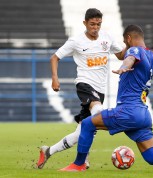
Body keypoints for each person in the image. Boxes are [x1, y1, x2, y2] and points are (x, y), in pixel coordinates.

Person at [59, 25, 153, 173]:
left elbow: (131, 57)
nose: (125, 47)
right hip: (143, 115)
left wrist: (124, 66)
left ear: (129, 38)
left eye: (125, 43)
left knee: (87, 124)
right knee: (151, 156)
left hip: (128, 111)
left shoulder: (134, 49)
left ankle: (78, 165)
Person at [36, 8, 128, 169]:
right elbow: (54, 57)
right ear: (85, 23)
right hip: (84, 84)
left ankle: (48, 151)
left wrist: (130, 44)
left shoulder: (107, 38)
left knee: (82, 132)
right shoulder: (76, 41)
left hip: (100, 90)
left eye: (98, 24)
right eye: (92, 24)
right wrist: (55, 78)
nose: (95, 27)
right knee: (98, 113)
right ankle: (83, 159)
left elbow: (120, 55)